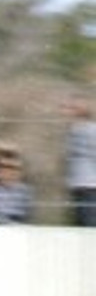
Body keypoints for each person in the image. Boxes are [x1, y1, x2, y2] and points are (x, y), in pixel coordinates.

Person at [62, 95, 96, 228]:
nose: (66, 112)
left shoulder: (91, 130)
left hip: (89, 186)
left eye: (70, 108)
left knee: (89, 226)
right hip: (78, 186)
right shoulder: (73, 131)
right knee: (81, 226)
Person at [0, 153, 32, 224]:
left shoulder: (25, 192)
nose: (7, 171)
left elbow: (21, 216)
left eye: (12, 168)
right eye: (2, 166)